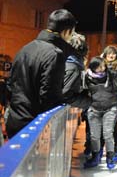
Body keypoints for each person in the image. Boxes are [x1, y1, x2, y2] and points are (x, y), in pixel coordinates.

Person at [6, 9, 77, 137]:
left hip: (15, 120)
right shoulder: (55, 54)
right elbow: (49, 95)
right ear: (67, 31)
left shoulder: (25, 48)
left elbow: (10, 84)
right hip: (35, 125)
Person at [84, 57, 117, 170]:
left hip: (110, 108)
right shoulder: (86, 77)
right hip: (94, 109)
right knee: (94, 136)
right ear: (93, 67)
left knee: (108, 134)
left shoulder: (110, 75)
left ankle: (110, 157)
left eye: (103, 66)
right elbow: (81, 92)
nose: (102, 69)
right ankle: (95, 157)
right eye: (99, 67)